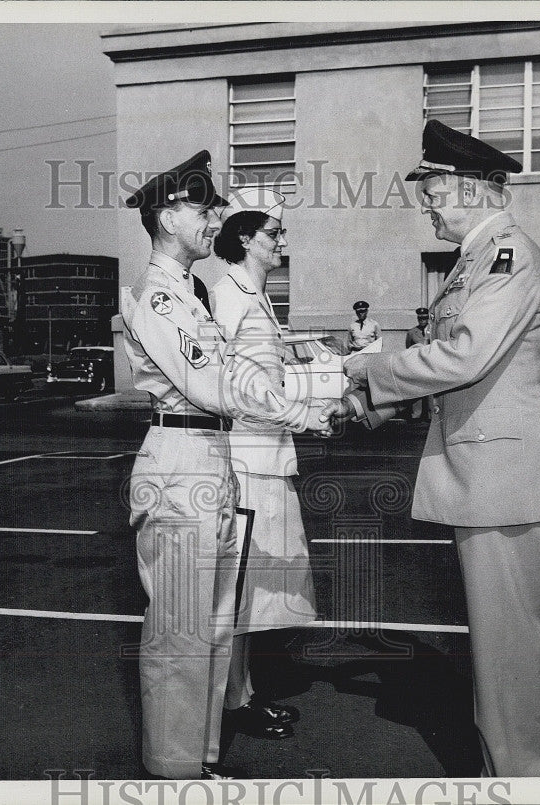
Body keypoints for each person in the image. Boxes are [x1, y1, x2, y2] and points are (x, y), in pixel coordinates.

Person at [327, 119, 540, 777]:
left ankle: (523, 780)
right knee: (501, 650)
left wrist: (367, 370)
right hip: (489, 472)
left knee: (508, 653)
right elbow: (458, 368)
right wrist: (364, 403)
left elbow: (464, 356)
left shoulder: (506, 255)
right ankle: (512, 771)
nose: (428, 202)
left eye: (434, 187)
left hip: (502, 476)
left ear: (473, 187)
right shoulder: (479, 257)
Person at [121, 151, 330, 780]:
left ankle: (199, 763)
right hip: (180, 462)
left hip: (212, 459)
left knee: (212, 631)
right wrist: (308, 404)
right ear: (164, 216)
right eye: (201, 206)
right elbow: (213, 382)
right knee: (181, 638)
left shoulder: (191, 293)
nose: (215, 217)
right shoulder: (158, 299)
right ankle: (172, 774)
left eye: (215, 206)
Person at [209, 187, 317, 741]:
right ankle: (231, 703)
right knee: (238, 586)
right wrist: (302, 412)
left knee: (250, 590)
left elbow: (262, 363)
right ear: (245, 237)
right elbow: (225, 378)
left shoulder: (255, 291)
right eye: (273, 233)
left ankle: (241, 694)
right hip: (246, 459)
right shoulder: (230, 294)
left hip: (267, 454)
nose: (281, 241)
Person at [404, 307, 432, 421]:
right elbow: (408, 348)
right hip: (418, 364)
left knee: (431, 389)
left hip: (430, 364)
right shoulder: (412, 333)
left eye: (425, 318)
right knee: (417, 389)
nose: (422, 321)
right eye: (420, 318)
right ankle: (416, 414)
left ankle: (431, 414)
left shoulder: (432, 331)